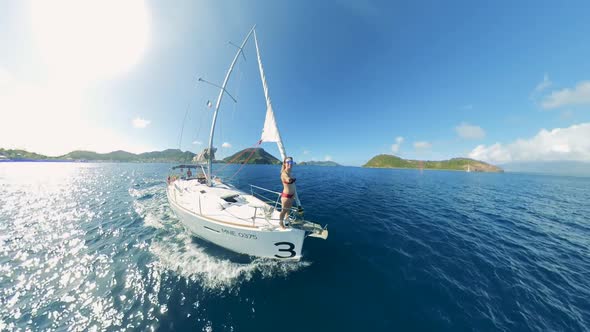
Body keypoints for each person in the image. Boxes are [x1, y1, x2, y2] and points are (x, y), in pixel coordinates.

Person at [279, 157, 296, 229]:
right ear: (284, 163)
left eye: (291, 162)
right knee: (283, 211)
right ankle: (280, 223)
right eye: (288, 162)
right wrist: (290, 179)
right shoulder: (284, 173)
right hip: (286, 196)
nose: (290, 164)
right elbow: (288, 179)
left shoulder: (290, 172)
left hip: (291, 195)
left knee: (288, 209)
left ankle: (287, 220)